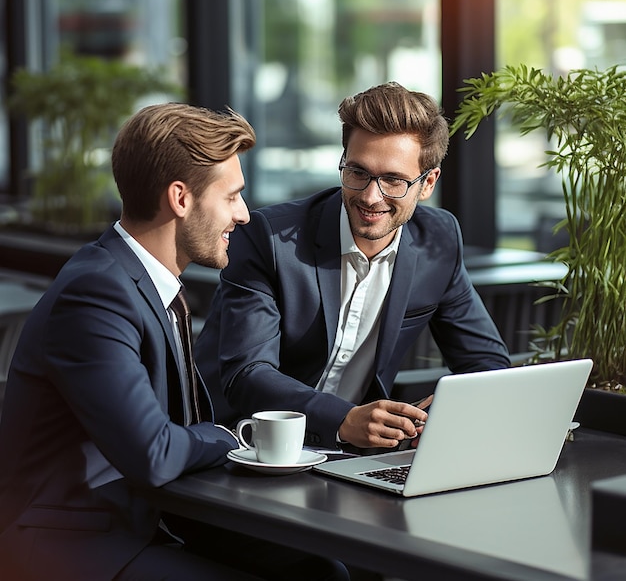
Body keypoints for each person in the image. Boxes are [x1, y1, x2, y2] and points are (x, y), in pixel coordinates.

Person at [0, 103, 348, 581]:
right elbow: (155, 453)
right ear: (181, 199)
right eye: (231, 198)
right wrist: (229, 438)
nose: (244, 215)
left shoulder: (146, 285)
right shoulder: (96, 293)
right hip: (74, 541)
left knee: (323, 571)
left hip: (150, 517)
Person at [194, 82, 511, 453]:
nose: (370, 196)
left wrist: (450, 409)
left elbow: (486, 364)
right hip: (241, 446)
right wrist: (343, 420)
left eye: (393, 180)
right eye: (358, 172)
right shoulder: (270, 239)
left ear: (428, 183)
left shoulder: (438, 240)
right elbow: (248, 375)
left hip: (353, 456)